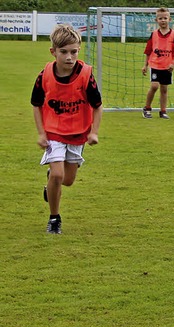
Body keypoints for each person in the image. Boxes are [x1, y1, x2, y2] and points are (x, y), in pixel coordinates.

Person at [31, 24, 102, 235]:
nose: (69, 57)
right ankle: (54, 218)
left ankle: (51, 182)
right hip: (54, 131)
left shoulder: (86, 76)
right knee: (58, 175)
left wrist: (94, 132)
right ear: (53, 52)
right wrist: (42, 133)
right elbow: (36, 104)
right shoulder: (44, 75)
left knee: (67, 180)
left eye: (74, 51)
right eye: (63, 52)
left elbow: (97, 106)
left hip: (78, 133)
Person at [141, 7, 174, 119]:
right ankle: (147, 108)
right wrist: (145, 65)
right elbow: (148, 51)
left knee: (164, 89)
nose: (163, 20)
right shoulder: (153, 34)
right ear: (156, 20)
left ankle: (163, 111)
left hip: (167, 67)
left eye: (165, 18)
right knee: (154, 86)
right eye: (160, 18)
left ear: (169, 19)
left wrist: (173, 64)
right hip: (155, 65)